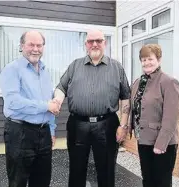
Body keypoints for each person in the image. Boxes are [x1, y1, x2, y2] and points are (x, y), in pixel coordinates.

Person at [53, 29, 131, 187]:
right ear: (85, 45)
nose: (94, 44)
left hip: (107, 124)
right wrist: (56, 101)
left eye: (98, 41)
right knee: (76, 169)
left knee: (106, 169)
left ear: (105, 43)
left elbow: (125, 97)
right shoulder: (75, 66)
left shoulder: (117, 68)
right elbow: (61, 87)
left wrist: (123, 125)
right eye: (90, 41)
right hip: (77, 125)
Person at [0, 30, 60, 187]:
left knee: (42, 181)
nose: (35, 49)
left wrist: (51, 130)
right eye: (31, 44)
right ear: (21, 46)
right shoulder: (12, 69)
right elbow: (13, 102)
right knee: (18, 182)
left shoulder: (45, 71)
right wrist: (46, 106)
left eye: (39, 45)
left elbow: (51, 104)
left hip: (43, 133)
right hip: (20, 133)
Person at [129, 44, 179, 187]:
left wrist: (161, 144)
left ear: (159, 60)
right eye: (143, 59)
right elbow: (132, 108)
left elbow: (171, 117)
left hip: (162, 143)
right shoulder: (138, 82)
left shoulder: (169, 82)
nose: (146, 62)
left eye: (150, 59)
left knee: (161, 183)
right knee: (147, 180)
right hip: (144, 140)